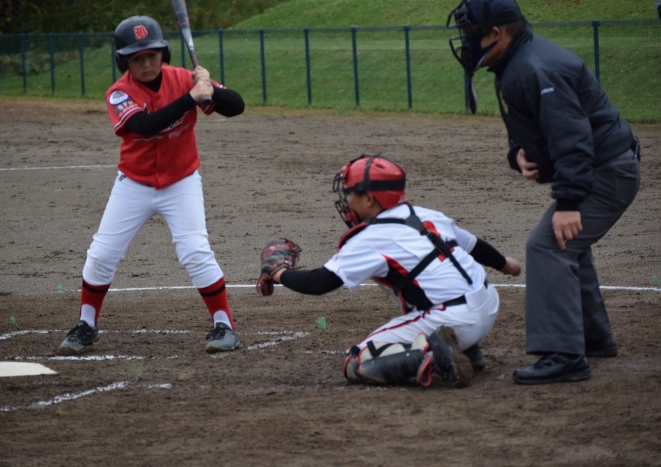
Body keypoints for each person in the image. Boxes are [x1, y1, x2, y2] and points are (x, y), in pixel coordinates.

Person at [447, 0, 641, 384]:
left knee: (547, 245)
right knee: (566, 244)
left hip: (607, 170)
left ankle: (565, 356)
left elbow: (573, 138)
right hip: (603, 167)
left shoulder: (534, 67)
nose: (467, 43)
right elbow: (533, 128)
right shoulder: (517, 62)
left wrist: (568, 203)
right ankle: (593, 339)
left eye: (471, 34)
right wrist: (518, 154)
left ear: (496, 33)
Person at [57, 16, 245, 355]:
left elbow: (237, 107)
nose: (146, 63)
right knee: (102, 254)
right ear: (123, 61)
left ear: (163, 54)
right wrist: (191, 97)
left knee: (195, 251)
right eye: (137, 58)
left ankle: (225, 325)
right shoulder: (119, 92)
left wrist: (211, 89)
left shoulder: (184, 79)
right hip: (134, 184)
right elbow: (145, 125)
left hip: (181, 182)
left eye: (152, 55)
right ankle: (86, 324)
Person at [259, 155, 521, 388]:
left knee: (357, 362)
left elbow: (320, 283)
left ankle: (436, 355)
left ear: (369, 199)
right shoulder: (427, 214)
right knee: (417, 277)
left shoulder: (370, 238)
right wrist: (506, 265)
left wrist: (279, 272)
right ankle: (468, 349)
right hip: (489, 303)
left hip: (453, 319)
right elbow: (475, 247)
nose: (347, 201)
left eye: (351, 194)